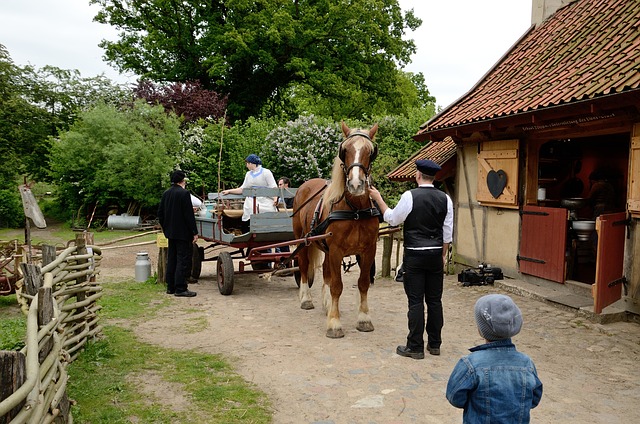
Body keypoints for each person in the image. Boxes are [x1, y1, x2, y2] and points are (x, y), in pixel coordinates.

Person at [369, 159, 453, 359]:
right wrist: (442, 254)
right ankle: (435, 344)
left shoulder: (409, 196)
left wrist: (379, 198)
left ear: (417, 175)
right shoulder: (445, 199)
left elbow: (392, 218)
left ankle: (415, 346)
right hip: (434, 254)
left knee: (415, 301)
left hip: (415, 254)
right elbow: (447, 232)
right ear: (434, 177)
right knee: (435, 300)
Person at [446, 294, 543, 423]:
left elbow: (455, 397)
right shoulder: (526, 363)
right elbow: (534, 399)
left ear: (481, 330)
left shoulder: (471, 364)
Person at [158, 170, 198, 297]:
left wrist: (166, 228)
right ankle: (180, 287)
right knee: (182, 259)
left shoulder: (166, 194)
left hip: (170, 232)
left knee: (172, 258)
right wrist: (194, 232)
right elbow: (188, 215)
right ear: (183, 181)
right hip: (182, 233)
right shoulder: (184, 194)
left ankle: (170, 286)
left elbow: (160, 214)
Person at [221, 154, 278, 233]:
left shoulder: (266, 172)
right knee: (250, 209)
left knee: (269, 209)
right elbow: (242, 189)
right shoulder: (248, 174)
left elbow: (273, 187)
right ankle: (249, 230)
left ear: (251, 163)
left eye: (247, 163)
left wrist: (275, 198)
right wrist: (229, 191)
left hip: (265, 199)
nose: (246, 165)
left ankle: (269, 230)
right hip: (252, 199)